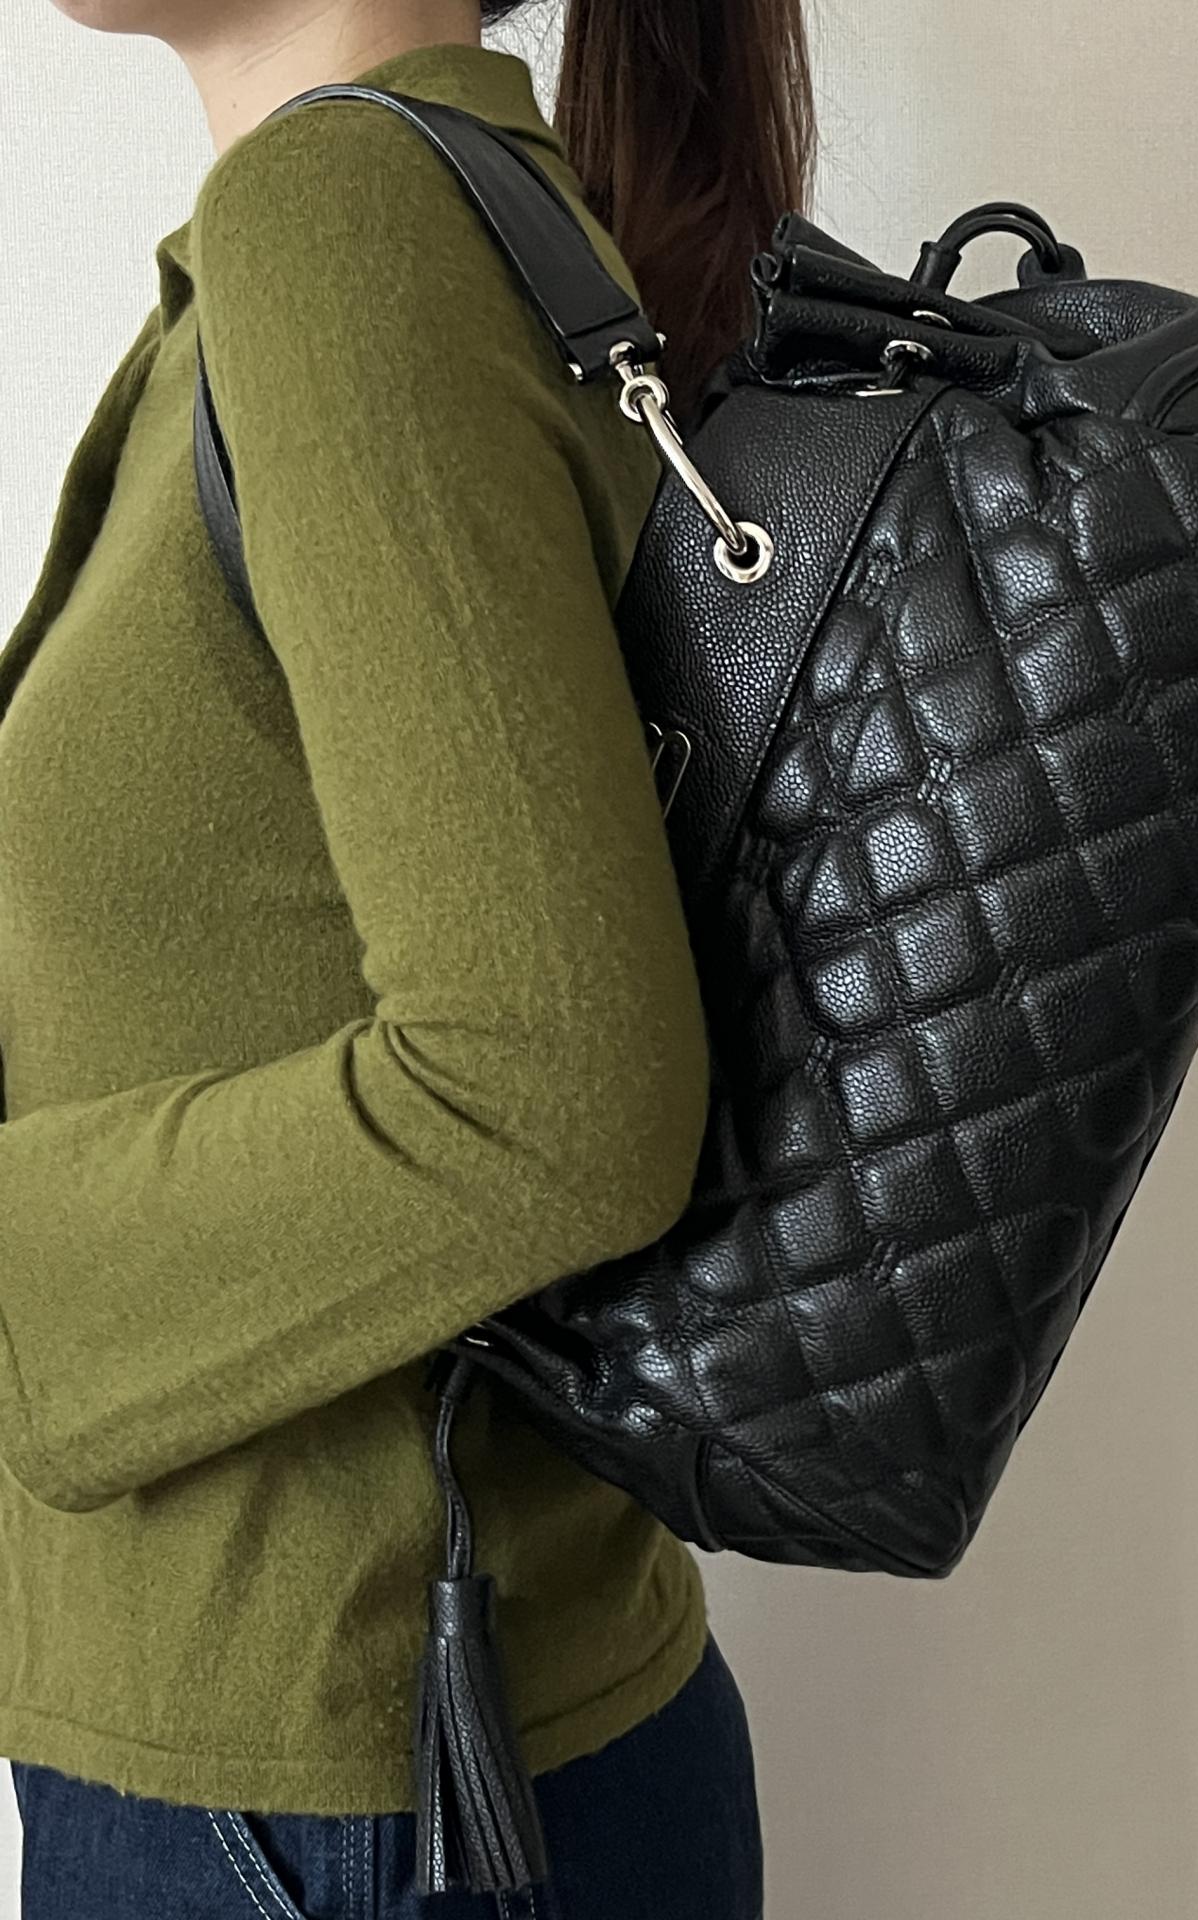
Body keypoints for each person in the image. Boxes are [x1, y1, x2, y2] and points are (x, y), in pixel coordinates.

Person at [0, 0, 814, 1912]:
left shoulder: (346, 227)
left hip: (333, 1788)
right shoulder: (405, 215)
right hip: (384, 1758)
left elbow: (555, 1083)